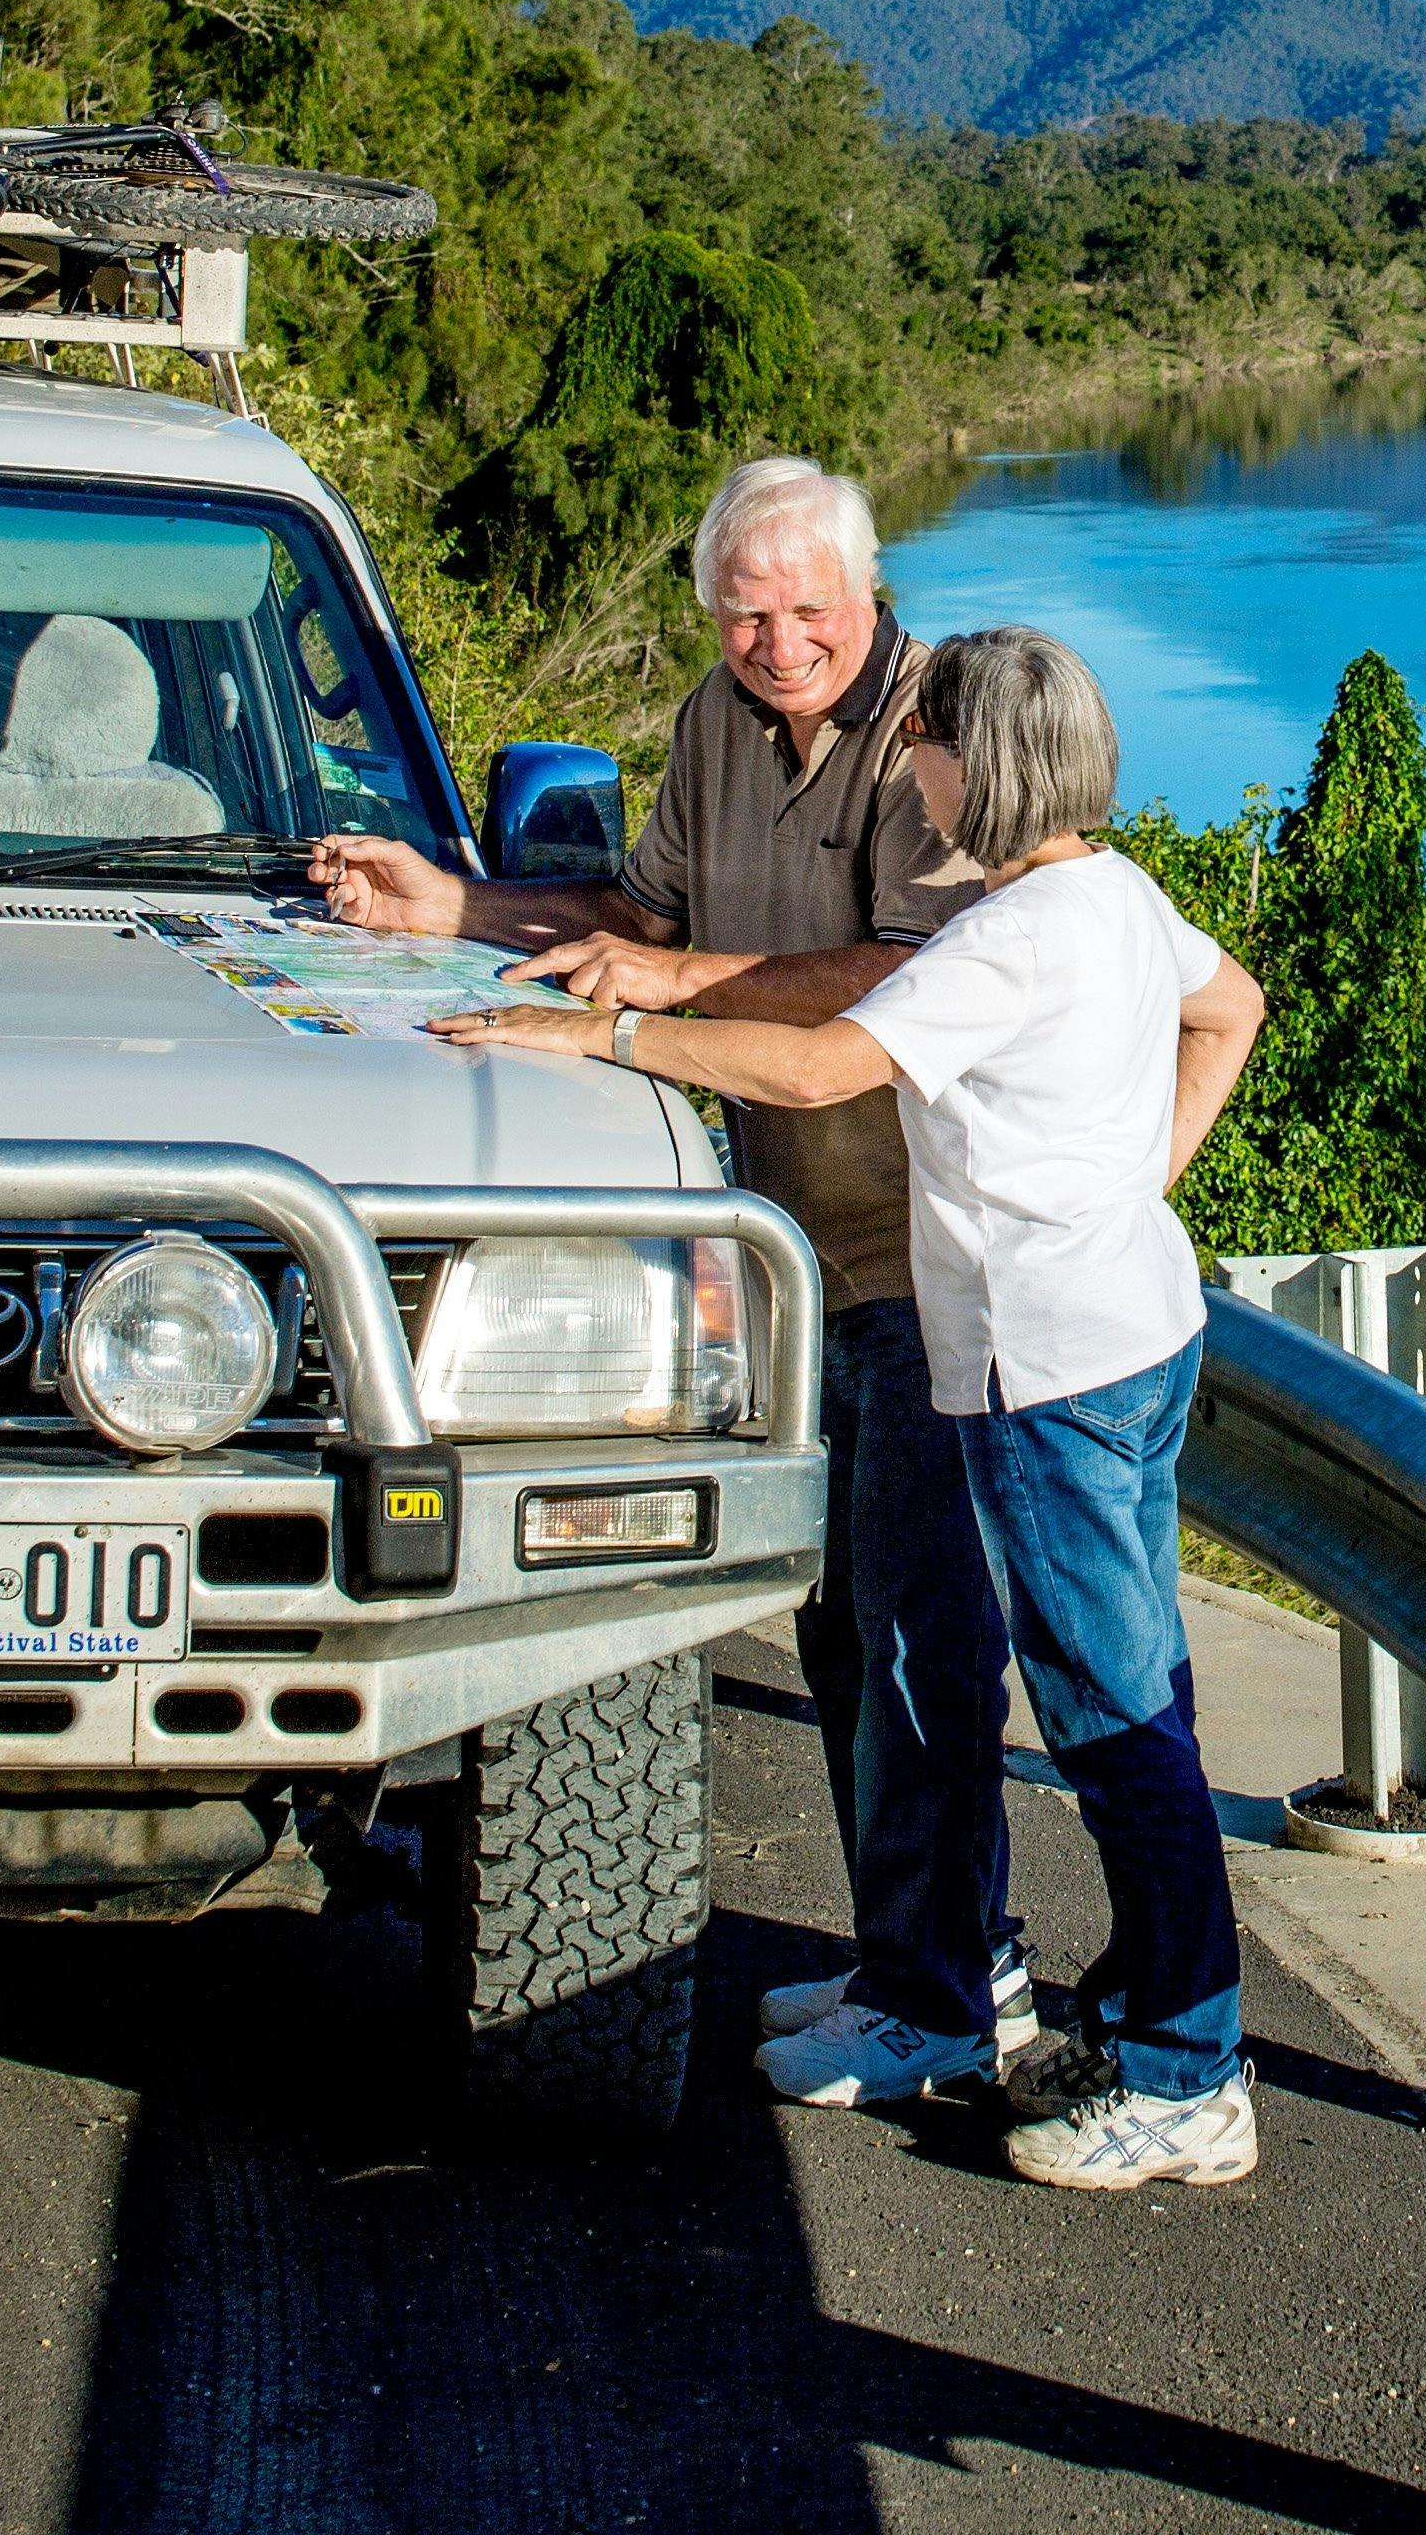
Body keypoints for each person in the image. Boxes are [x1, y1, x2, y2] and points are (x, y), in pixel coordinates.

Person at [436, 623, 1276, 2191]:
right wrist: (1124, 1190)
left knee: (1115, 1723)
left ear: (984, 765)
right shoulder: (1116, 896)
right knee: (1136, 1697)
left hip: (1050, 1378)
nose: (916, 767)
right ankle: (1083, 2015)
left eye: (931, 745)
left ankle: (1190, 2074)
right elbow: (1231, 1012)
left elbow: (820, 1072)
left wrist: (608, 1033)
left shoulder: (1005, 938)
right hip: (1136, 1331)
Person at [305, 456, 1031, 2051]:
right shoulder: (715, 721)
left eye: (808, 611)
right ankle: (921, 1958)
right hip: (790, 1255)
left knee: (921, 1636)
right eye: (747, 613)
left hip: (930, 1252)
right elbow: (627, 914)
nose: (779, 644)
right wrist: (453, 905)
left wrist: (660, 993)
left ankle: (950, 1985)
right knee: (845, 1626)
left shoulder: (937, 727)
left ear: (871, 589)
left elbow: (902, 976)